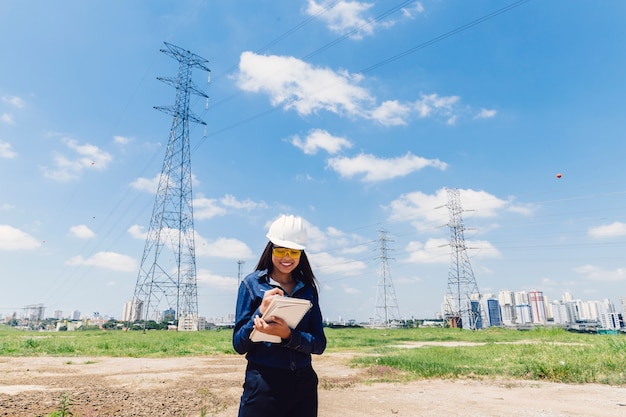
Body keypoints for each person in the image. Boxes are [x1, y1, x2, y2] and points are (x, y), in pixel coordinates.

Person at [233, 214, 326, 417]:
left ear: (301, 254)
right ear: (270, 248)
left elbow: (319, 344)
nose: (287, 257)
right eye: (281, 250)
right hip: (263, 383)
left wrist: (288, 335)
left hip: (303, 385)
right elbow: (239, 345)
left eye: (293, 252)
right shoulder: (251, 285)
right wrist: (261, 311)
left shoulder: (308, 289)